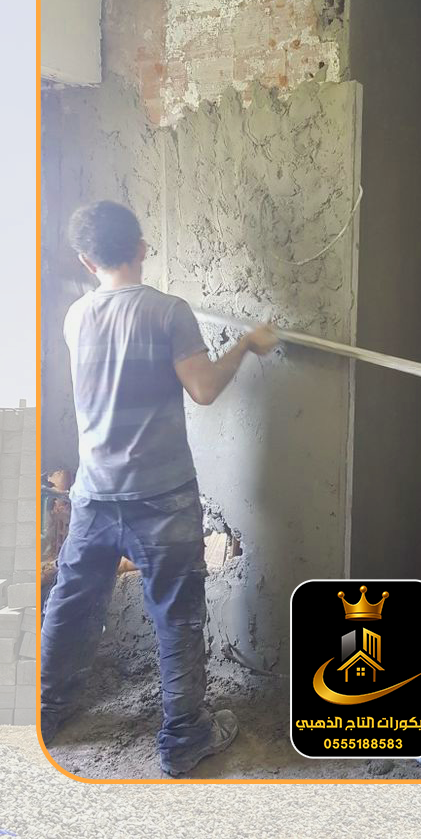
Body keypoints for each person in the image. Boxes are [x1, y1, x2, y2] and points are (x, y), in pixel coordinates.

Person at [40, 200, 278, 777]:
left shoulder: (75, 316)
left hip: (94, 494)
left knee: (71, 603)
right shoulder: (169, 312)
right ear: (142, 248)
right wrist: (246, 345)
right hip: (161, 497)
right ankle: (184, 738)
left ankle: (45, 712)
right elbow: (204, 389)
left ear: (86, 260)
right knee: (177, 615)